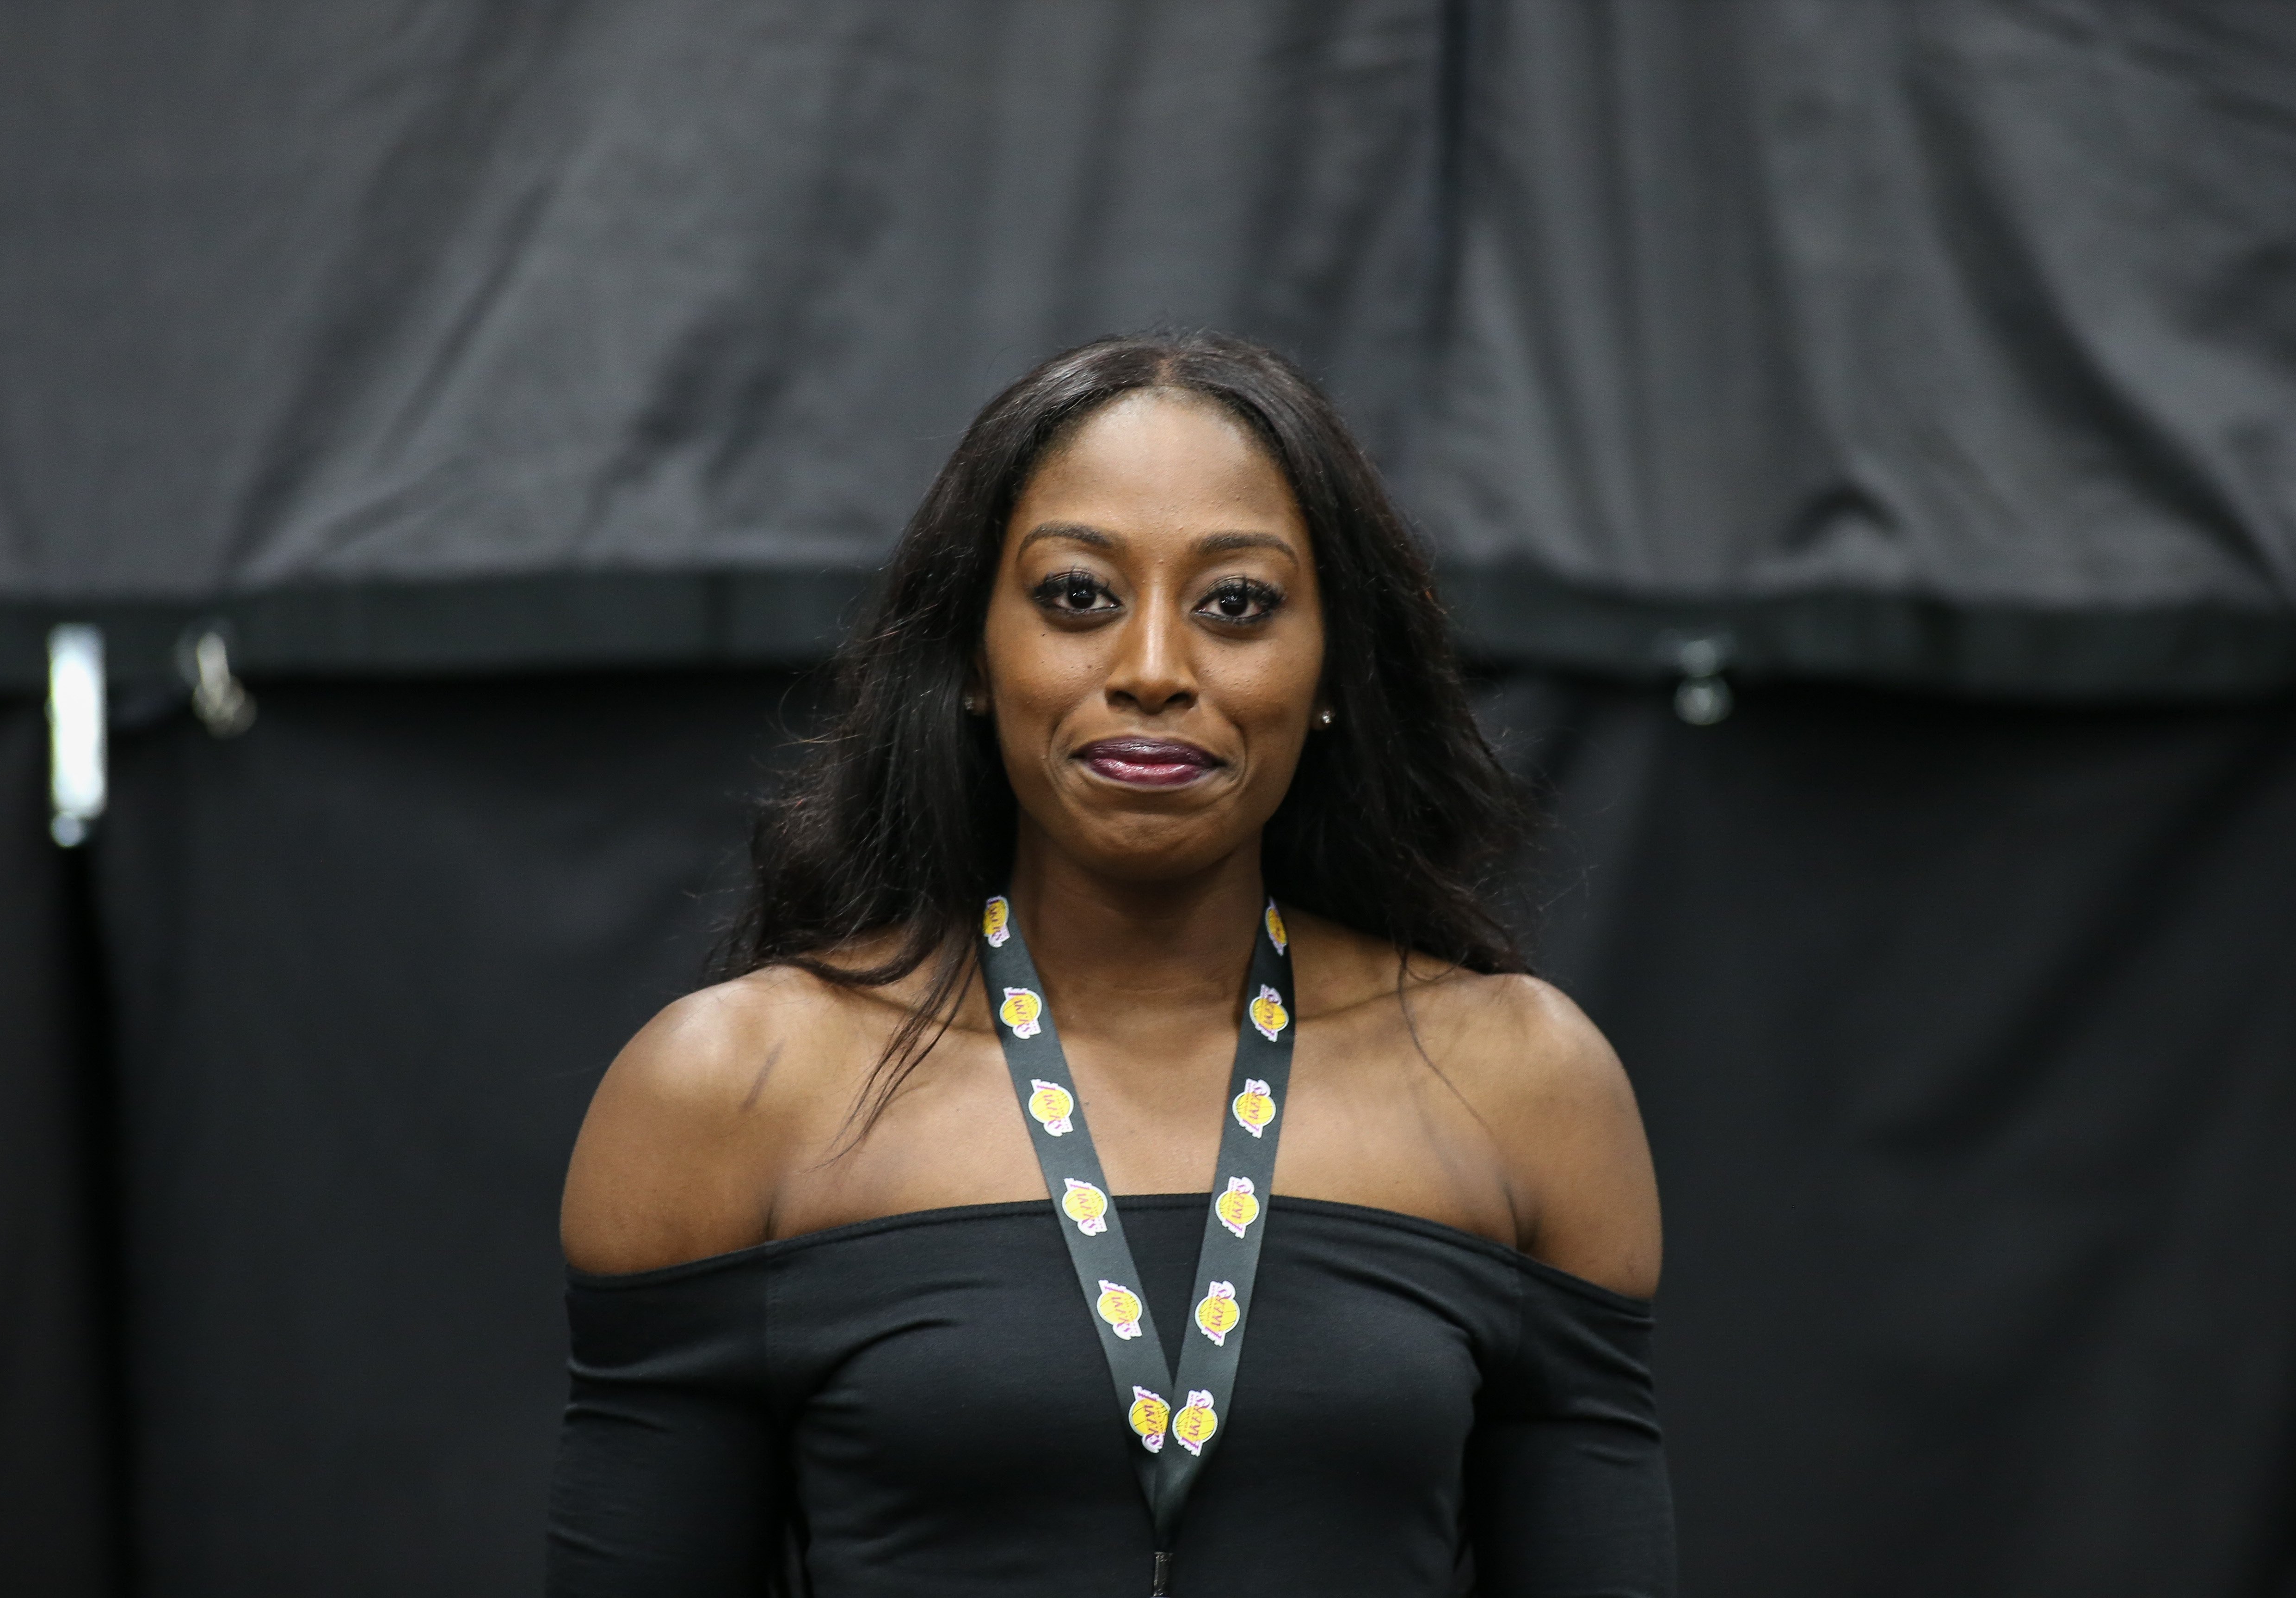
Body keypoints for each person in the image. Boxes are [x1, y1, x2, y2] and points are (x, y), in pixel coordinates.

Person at [547, 332, 1673, 1597]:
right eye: (1078, 596)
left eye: (1236, 604)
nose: (1151, 670)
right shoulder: (733, 1091)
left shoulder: (1522, 1085)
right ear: (974, 656)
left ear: (1334, 675)